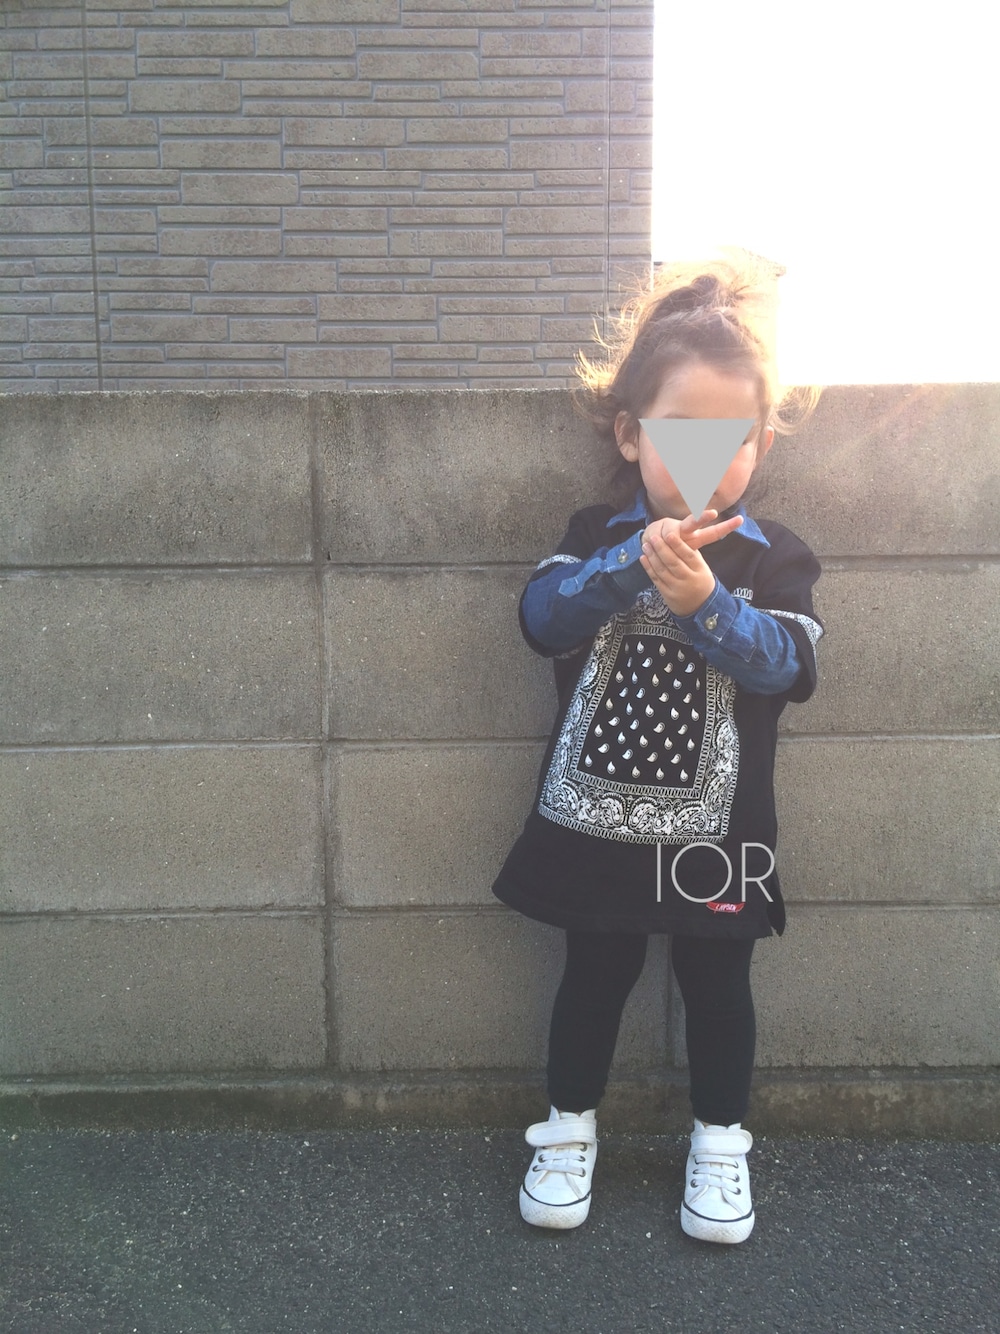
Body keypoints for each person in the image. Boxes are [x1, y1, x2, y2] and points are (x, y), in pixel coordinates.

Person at [492, 250, 823, 1244]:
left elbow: (789, 665)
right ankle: (565, 1131)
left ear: (761, 442)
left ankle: (720, 1145)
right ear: (633, 433)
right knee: (594, 972)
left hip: (720, 830)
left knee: (718, 982)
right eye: (683, 433)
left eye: (734, 438)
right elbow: (541, 619)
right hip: (592, 817)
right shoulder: (595, 531)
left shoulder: (774, 555)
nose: (708, 459)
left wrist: (709, 602)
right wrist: (629, 566)